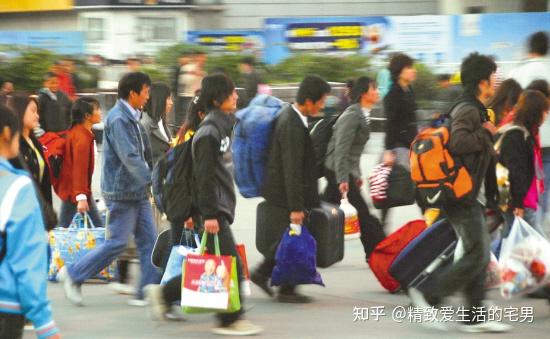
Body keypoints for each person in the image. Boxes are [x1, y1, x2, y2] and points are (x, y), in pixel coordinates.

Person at [145, 74, 263, 336]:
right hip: (214, 212)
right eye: (231, 92)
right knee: (230, 264)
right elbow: (204, 177)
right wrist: (208, 214)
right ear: (216, 99)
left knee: (212, 264)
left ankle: (164, 294)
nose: (236, 96)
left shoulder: (220, 126)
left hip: (217, 208)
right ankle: (231, 318)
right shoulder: (209, 132)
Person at [409, 52, 511, 333]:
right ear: (482, 81)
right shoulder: (468, 109)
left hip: (470, 193)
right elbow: (459, 141)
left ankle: (474, 315)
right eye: (493, 77)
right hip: (461, 194)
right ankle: (429, 296)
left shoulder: (473, 106)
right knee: (477, 254)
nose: (496, 82)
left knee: (477, 252)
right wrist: (488, 132)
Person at [58, 72, 159, 307]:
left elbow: (141, 153)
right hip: (122, 192)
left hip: (137, 191)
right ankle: (74, 275)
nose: (147, 96)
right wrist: (151, 180)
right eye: (145, 91)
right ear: (133, 93)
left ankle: (146, 292)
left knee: (149, 242)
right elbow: (130, 156)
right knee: (117, 243)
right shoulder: (119, 119)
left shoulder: (132, 115)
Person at [252, 75, 330, 303]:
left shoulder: (294, 118)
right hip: (284, 194)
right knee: (291, 238)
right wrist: (296, 207)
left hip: (284, 192)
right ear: (308, 100)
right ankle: (284, 287)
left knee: (287, 238)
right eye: (321, 101)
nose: (322, 106)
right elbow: (292, 168)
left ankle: (265, 275)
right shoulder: (292, 123)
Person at [0, 105, 61, 339]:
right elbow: (26, 258)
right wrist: (44, 323)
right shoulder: (17, 186)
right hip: (6, 306)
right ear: (7, 133)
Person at [323, 76, 385, 262]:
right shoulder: (352, 115)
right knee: (364, 216)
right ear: (365, 93)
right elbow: (341, 149)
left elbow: (354, 152)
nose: (377, 92)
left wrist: (356, 174)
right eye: (374, 88)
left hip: (343, 170)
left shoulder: (363, 114)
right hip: (337, 170)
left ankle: (300, 238)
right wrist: (343, 179)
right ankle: (378, 253)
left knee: (321, 210)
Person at [499, 90, 549, 234]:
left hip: (521, 199)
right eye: (545, 110)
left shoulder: (525, 133)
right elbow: (516, 171)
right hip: (520, 201)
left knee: (513, 240)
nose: (546, 115)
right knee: (532, 244)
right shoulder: (516, 135)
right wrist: (518, 203)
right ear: (536, 111)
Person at [56, 97, 104, 229]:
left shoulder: (79, 133)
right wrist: (81, 196)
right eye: (97, 109)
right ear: (87, 115)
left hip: (77, 191)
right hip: (76, 192)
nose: (100, 112)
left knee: (64, 228)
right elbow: (79, 169)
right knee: (97, 228)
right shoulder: (81, 138)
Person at [381, 53, 418, 226]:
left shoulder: (410, 91)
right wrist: (388, 151)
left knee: (410, 183)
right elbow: (390, 125)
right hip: (398, 147)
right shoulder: (392, 95)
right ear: (399, 72)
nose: (413, 71)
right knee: (409, 182)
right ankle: (382, 222)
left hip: (411, 144)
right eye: (409, 68)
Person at [8, 96, 53, 206]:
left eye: (37, 112)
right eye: (33, 111)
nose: (37, 116)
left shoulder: (35, 143)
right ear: (20, 111)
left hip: (39, 210)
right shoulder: (12, 146)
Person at [141, 82, 173, 166]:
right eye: (168, 99)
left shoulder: (161, 121)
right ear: (159, 100)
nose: (171, 103)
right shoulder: (144, 125)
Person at [177, 51, 207, 126]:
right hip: (187, 96)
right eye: (202, 57)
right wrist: (195, 75)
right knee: (187, 116)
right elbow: (184, 81)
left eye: (204, 58)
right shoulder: (187, 68)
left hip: (198, 97)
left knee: (196, 116)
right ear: (196, 57)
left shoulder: (202, 70)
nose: (203, 59)